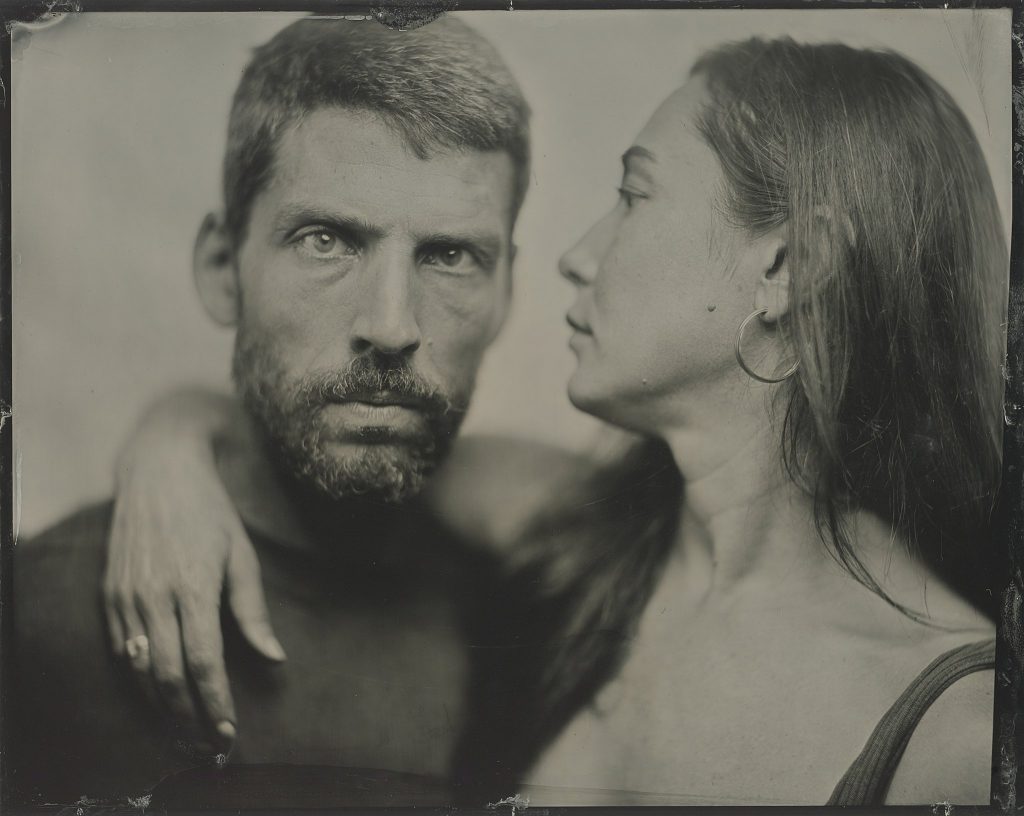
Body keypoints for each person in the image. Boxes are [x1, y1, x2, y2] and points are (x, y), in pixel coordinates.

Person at [100, 32, 1010, 807]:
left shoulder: (962, 730)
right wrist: (170, 449)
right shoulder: (590, 532)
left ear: (786, 266)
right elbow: (345, 420)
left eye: (635, 193)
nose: (578, 256)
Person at [8, 15, 537, 809]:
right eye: (327, 240)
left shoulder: (531, 626)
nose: (392, 326)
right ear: (224, 269)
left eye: (450, 255)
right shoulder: (36, 617)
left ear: (506, 295)